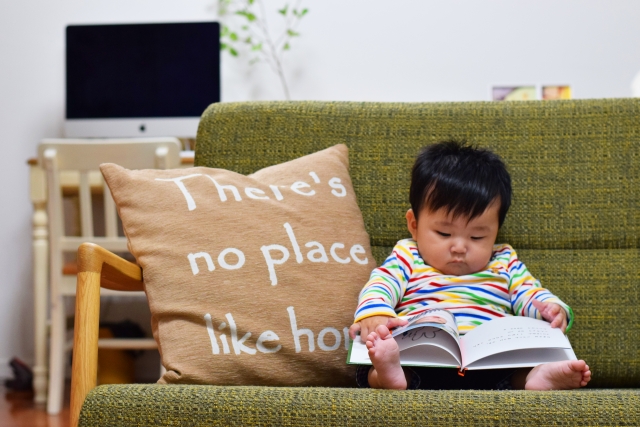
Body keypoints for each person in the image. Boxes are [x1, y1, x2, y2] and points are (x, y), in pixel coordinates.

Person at [348, 141, 591, 391]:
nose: (459, 247)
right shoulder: (408, 255)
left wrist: (550, 309)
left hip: (492, 361)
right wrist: (376, 313)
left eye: (477, 237)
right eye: (444, 233)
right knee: (380, 361)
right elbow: (381, 284)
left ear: (495, 233)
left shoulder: (504, 261)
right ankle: (390, 373)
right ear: (414, 225)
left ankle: (537, 377)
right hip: (421, 355)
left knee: (521, 367)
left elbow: (530, 293)